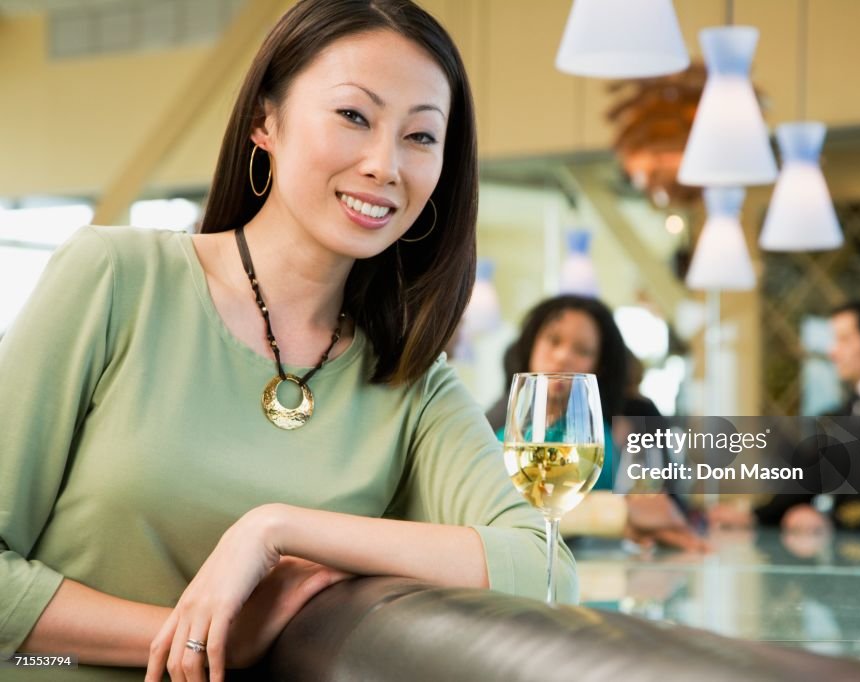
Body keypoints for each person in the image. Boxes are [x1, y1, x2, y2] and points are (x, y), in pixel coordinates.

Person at [0, 2, 575, 681]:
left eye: (421, 137)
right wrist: (198, 640)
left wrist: (275, 530)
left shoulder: (412, 383)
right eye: (353, 116)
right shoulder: (117, 278)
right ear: (263, 120)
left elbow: (544, 571)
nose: (384, 164)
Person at [488, 295, 708, 552]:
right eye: (553, 340)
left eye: (582, 350)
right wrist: (619, 513)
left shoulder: (617, 425)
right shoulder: (498, 418)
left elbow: (665, 500)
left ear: (598, 366)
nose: (562, 357)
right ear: (531, 343)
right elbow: (495, 509)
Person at [709, 301, 860, 534]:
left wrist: (828, 521)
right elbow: (813, 472)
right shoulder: (855, 403)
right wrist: (754, 516)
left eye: (844, 340)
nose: (832, 351)